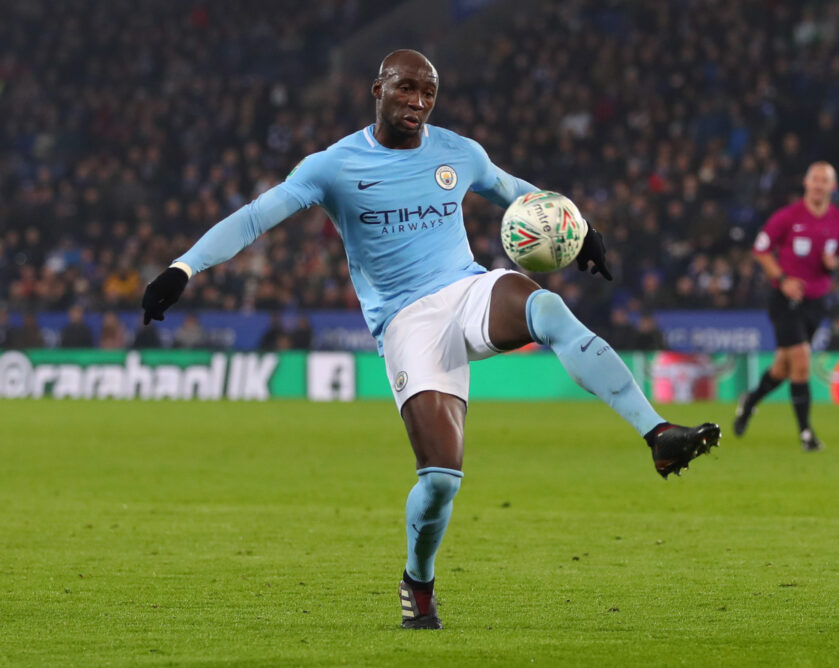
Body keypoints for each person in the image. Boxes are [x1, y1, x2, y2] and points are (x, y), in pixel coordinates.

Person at [141, 50, 721, 630]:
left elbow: (520, 193)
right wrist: (183, 269)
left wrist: (583, 229)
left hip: (469, 290)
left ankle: (658, 433)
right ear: (378, 89)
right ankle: (418, 581)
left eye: (428, 92)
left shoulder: (459, 153)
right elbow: (252, 219)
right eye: (406, 89)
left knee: (546, 307)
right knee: (441, 480)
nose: (418, 102)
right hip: (405, 322)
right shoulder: (332, 166)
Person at [733, 162, 839, 451]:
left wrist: (837, 263)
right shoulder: (787, 217)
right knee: (801, 362)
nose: (818, 184)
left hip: (817, 302)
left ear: (832, 187)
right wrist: (782, 278)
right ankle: (806, 434)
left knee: (783, 368)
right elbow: (760, 249)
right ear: (806, 182)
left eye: (824, 180)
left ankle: (749, 401)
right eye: (814, 178)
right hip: (785, 298)